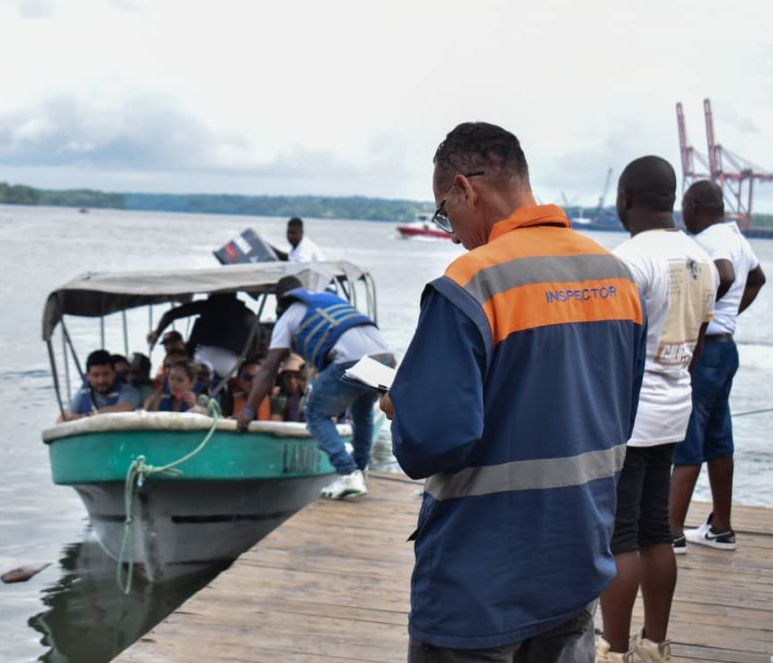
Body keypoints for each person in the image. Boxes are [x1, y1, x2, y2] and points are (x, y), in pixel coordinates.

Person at [383, 122, 646, 662]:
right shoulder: (617, 276)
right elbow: (616, 413)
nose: (451, 233)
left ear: (465, 189)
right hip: (577, 561)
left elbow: (431, 441)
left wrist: (400, 406)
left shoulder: (471, 282)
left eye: (444, 213)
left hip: (480, 579)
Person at [597, 157, 718, 663]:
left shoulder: (628, 260)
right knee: (656, 530)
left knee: (619, 536)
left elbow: (609, 349)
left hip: (629, 416)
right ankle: (655, 644)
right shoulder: (702, 260)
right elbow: (698, 346)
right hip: (673, 408)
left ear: (625, 198)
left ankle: (613, 647)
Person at [669, 180, 766, 554]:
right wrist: (728, 315)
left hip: (706, 350)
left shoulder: (710, 241)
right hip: (726, 349)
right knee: (719, 439)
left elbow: (725, 275)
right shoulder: (735, 237)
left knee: (688, 440)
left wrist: (701, 316)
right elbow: (757, 278)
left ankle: (671, 532)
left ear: (693, 206)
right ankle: (721, 528)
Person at [234, 276, 393, 499]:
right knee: (362, 411)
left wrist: (249, 410)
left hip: (352, 360)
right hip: (384, 356)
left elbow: (269, 368)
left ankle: (347, 472)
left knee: (316, 413)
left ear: (280, 302)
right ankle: (359, 469)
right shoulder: (329, 299)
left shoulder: (288, 317)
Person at [147, 293, 257, 379]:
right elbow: (254, 343)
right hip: (230, 363)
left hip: (203, 356)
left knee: (193, 384)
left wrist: (157, 333)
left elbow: (169, 315)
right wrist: (249, 363)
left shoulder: (207, 305)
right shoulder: (248, 313)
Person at [60, 350, 142, 422]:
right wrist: (66, 419)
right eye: (96, 375)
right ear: (88, 376)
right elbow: (63, 417)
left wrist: (84, 417)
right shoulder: (83, 392)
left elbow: (123, 408)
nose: (101, 380)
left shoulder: (128, 390)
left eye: (106, 374)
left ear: (114, 374)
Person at [270, 354, 307, 422]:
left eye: (296, 377)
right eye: (288, 377)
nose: (292, 381)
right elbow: (276, 422)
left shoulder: (306, 397)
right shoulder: (278, 398)